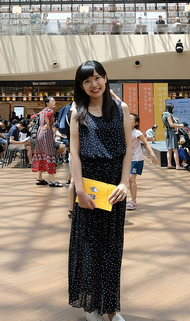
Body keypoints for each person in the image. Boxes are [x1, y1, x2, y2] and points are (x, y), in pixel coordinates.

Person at [68, 60, 132, 321]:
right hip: (90, 187)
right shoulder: (77, 112)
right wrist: (79, 191)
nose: (93, 84)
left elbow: (128, 149)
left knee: (112, 248)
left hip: (114, 188)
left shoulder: (121, 108)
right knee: (89, 247)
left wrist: (125, 183)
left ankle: (111, 308)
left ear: (105, 78)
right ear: (81, 86)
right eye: (87, 81)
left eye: (97, 78)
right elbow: (74, 153)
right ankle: (92, 306)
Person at [127, 113, 159, 211]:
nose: (128, 119)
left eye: (131, 119)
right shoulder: (124, 131)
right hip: (128, 159)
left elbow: (146, 143)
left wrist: (153, 156)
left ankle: (133, 201)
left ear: (136, 123)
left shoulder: (136, 133)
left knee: (131, 179)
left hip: (136, 159)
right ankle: (130, 199)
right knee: (128, 179)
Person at [33, 96, 62, 187]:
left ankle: (39, 178)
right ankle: (52, 180)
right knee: (49, 154)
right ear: (47, 103)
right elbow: (48, 125)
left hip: (39, 134)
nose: (54, 103)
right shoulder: (50, 112)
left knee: (40, 154)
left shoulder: (42, 111)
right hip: (46, 135)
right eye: (52, 101)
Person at [162, 104, 182, 170]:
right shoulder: (169, 115)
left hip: (167, 131)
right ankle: (177, 165)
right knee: (175, 148)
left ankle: (169, 164)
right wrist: (180, 125)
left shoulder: (164, 114)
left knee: (169, 149)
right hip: (171, 132)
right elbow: (171, 124)